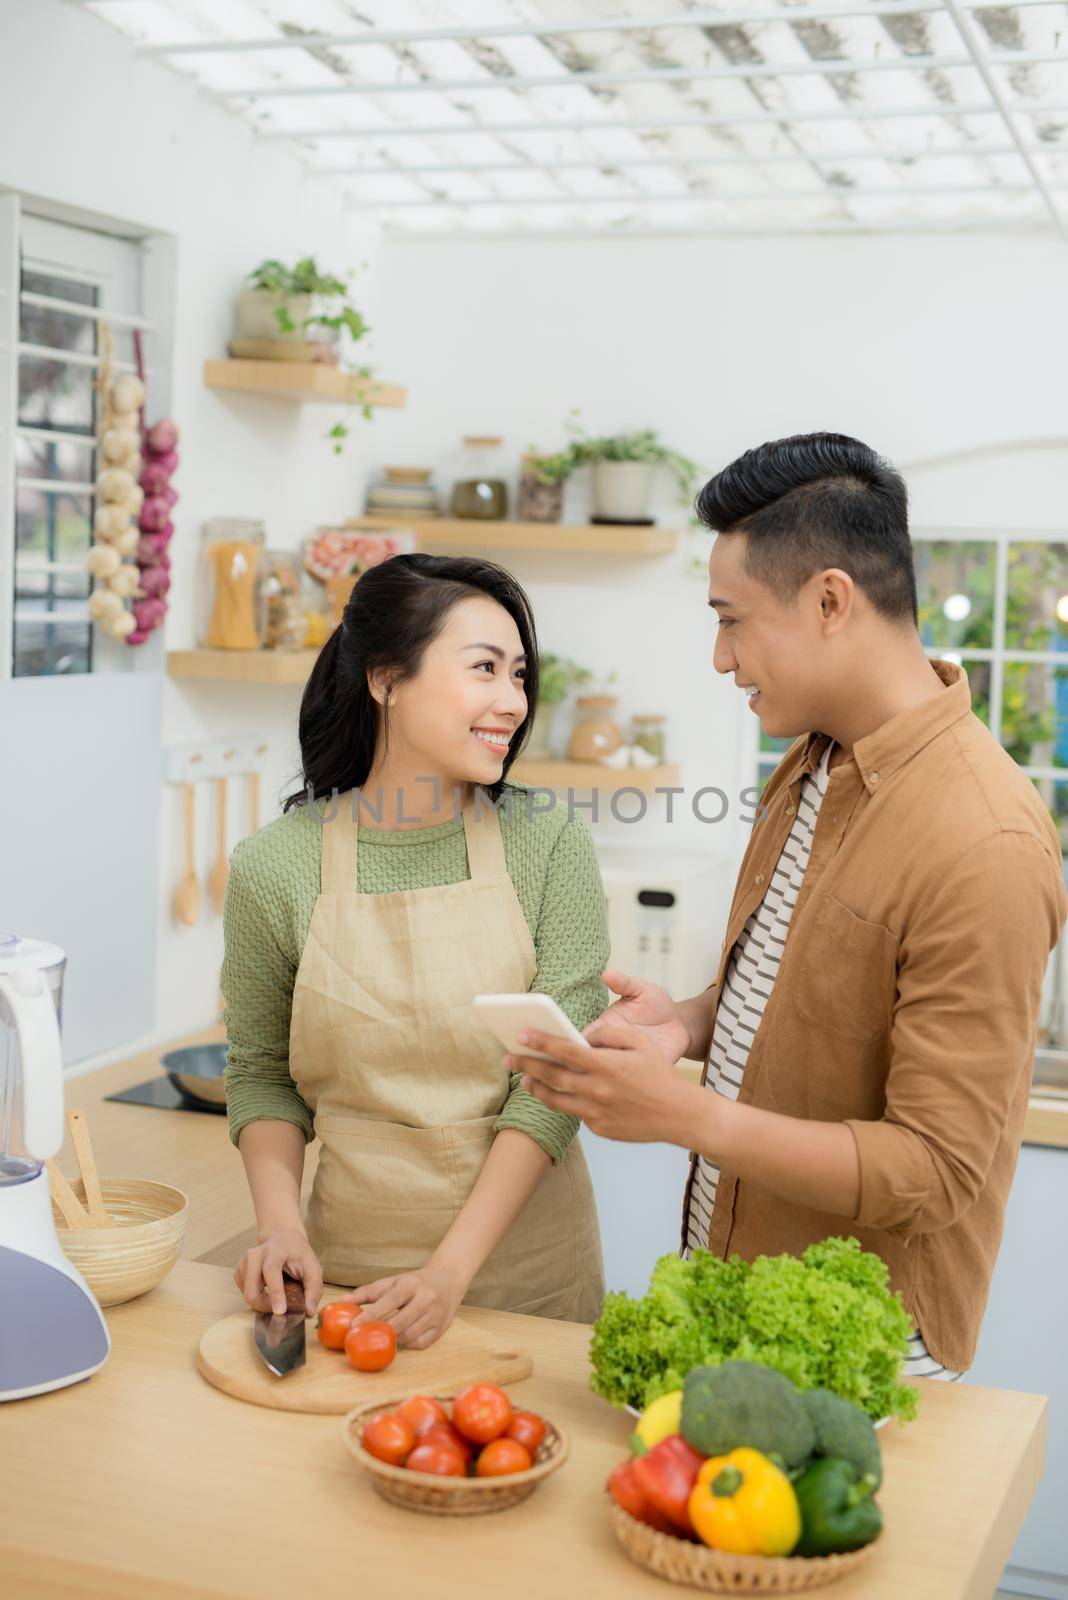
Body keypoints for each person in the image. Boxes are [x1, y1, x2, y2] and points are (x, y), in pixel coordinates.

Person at [512, 432, 1067, 1380]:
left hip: (861, 1348)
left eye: (732, 619)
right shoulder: (812, 759)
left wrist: (679, 1116)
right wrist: (686, 1026)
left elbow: (931, 1174)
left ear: (829, 600)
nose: (722, 657)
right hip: (735, 1290)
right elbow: (812, 991)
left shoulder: (987, 839)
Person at [223, 553, 607, 1347]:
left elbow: (554, 1081)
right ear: (386, 679)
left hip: (524, 1280)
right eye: (484, 670)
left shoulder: (550, 845)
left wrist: (448, 1274)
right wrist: (278, 1230)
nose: (512, 701)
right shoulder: (275, 866)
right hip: (347, 1279)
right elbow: (261, 1074)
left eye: (519, 675)